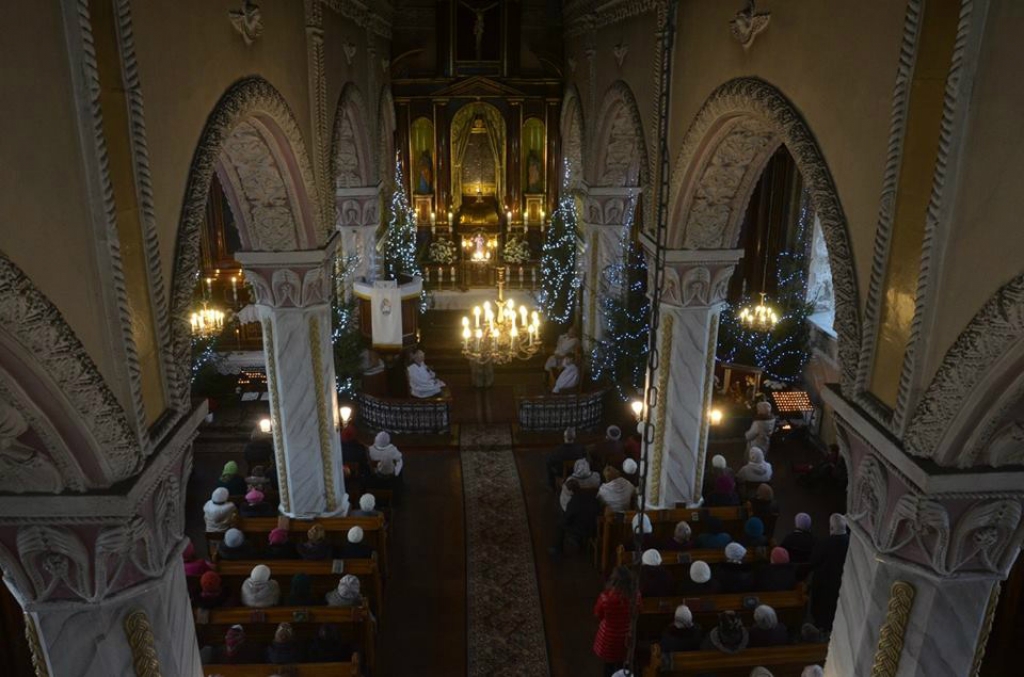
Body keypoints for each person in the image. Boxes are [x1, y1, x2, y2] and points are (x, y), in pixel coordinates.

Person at [805, 513, 850, 632]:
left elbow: (813, 561)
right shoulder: (851, 543)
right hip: (842, 581)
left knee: (821, 607)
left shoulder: (824, 543)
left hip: (824, 582)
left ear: (832, 528)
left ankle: (820, 625)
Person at [593, 566, 639, 676]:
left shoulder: (605, 598)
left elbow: (597, 614)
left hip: (609, 638)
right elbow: (638, 612)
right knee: (623, 664)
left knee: (608, 666)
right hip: (626, 636)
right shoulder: (635, 596)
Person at [550, 478, 602, 555]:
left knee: (560, 525)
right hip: (595, 526)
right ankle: (577, 541)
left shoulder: (573, 502)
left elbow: (567, 519)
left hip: (584, 530)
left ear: (571, 491)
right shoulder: (591, 494)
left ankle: (557, 549)